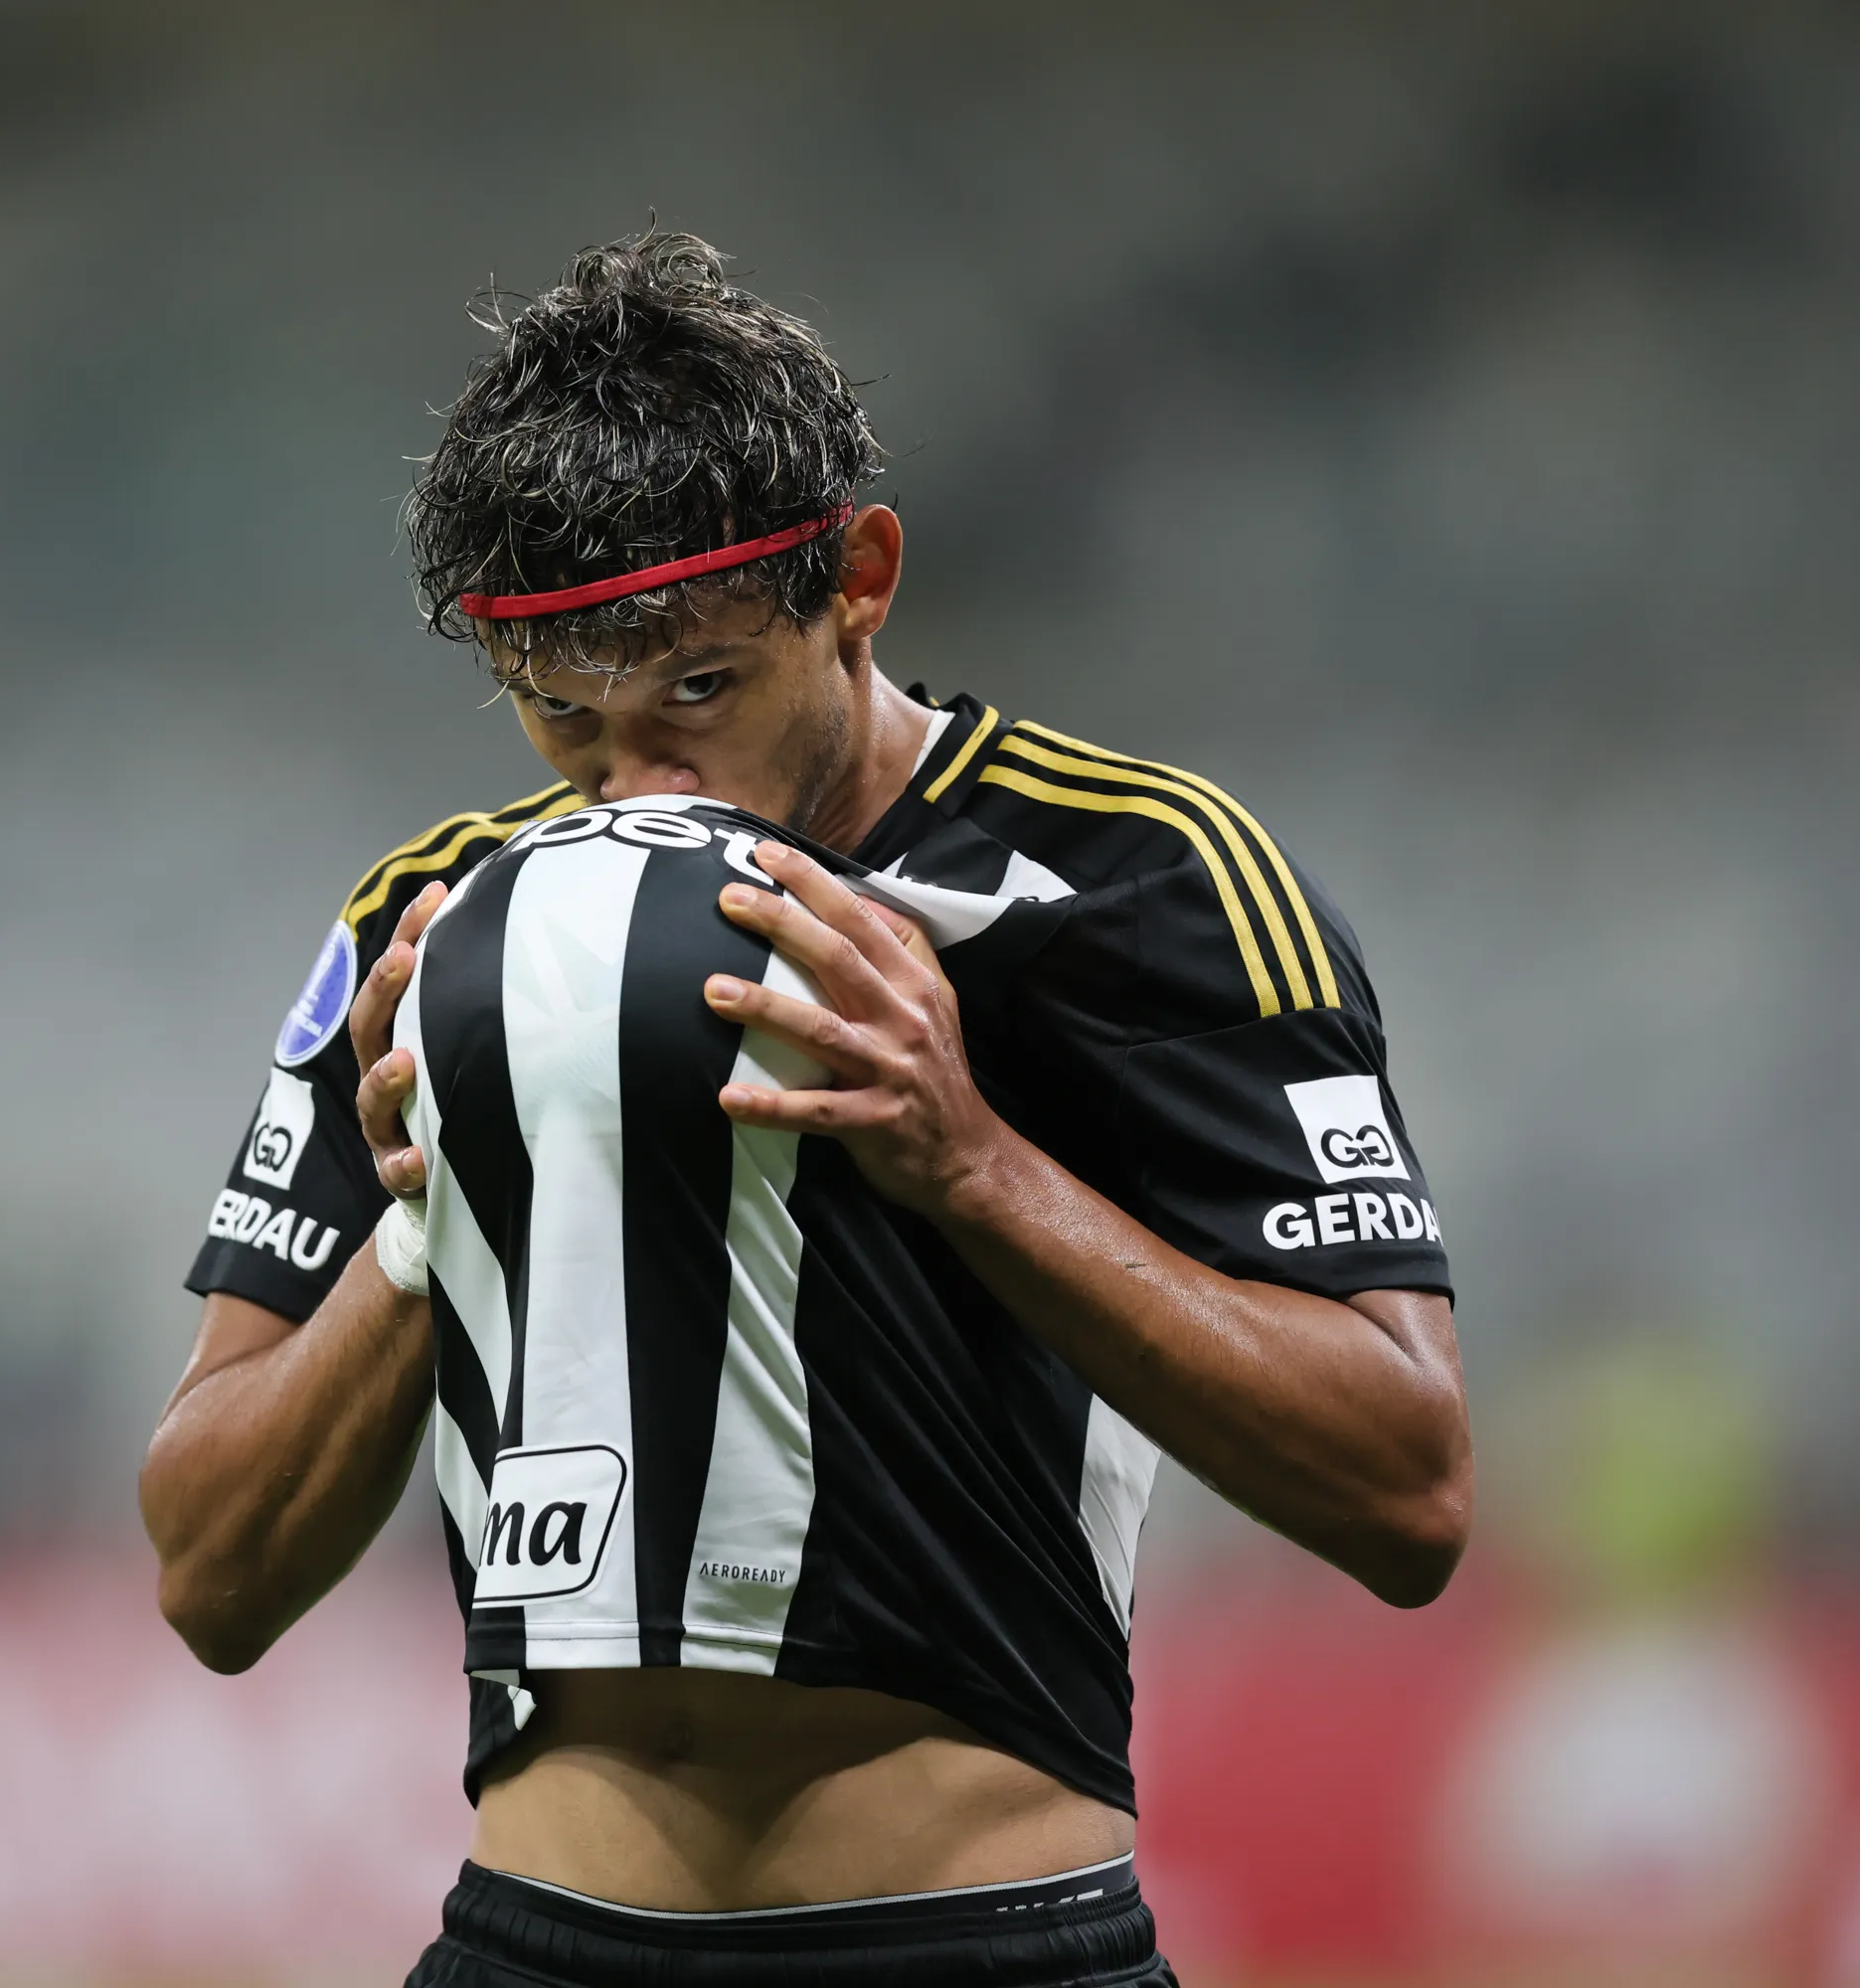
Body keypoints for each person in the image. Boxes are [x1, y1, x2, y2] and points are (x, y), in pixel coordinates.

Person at [141, 230, 1470, 1987]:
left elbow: (1408, 1489)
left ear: (860, 578)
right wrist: (427, 1216)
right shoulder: (440, 934)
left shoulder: (1143, 883)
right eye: (563, 718)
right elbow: (210, 1572)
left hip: (979, 1948)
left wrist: (973, 1163)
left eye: (701, 688)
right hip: (540, 1944)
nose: (641, 779)